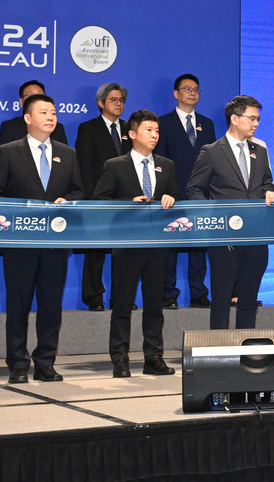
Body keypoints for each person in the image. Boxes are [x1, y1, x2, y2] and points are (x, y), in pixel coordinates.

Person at [0, 93, 84, 384]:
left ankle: (45, 362)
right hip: (20, 243)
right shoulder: (8, 151)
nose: (50, 117)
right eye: (43, 112)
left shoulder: (68, 153)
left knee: (51, 305)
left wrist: (69, 200)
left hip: (55, 243)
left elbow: (79, 190)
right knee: (18, 305)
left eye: (53, 112)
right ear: (27, 118)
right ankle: (17, 363)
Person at [93, 109, 181, 378]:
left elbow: (178, 198)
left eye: (157, 131)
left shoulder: (167, 165)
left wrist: (172, 199)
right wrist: (128, 203)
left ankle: (153, 357)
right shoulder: (115, 165)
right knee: (122, 304)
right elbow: (100, 201)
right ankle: (119, 358)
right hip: (127, 245)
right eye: (148, 130)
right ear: (132, 134)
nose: (154, 135)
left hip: (158, 246)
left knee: (154, 305)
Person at [187, 95, 274, 330]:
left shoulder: (260, 150)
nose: (256, 123)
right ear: (235, 119)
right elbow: (194, 189)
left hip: (256, 235)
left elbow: (267, 183)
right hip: (224, 237)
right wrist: (213, 218)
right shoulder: (212, 151)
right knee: (221, 298)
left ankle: (245, 344)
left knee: (249, 298)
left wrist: (269, 192)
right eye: (252, 118)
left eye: (258, 119)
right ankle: (219, 346)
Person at [156, 74, 217, 309]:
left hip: (201, 194)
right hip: (173, 194)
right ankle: (168, 293)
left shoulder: (207, 124)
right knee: (170, 244)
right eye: (187, 89)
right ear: (176, 93)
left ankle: (198, 292)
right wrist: (165, 191)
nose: (193, 93)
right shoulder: (163, 123)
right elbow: (159, 161)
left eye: (196, 89)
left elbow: (213, 161)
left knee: (199, 245)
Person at [75, 82, 130, 312]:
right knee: (95, 251)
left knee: (124, 252)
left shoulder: (130, 128)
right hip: (98, 199)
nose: (118, 104)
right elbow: (84, 167)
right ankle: (94, 297)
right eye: (113, 100)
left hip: (126, 200)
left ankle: (122, 297)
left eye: (121, 100)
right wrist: (91, 200)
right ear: (101, 103)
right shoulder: (88, 128)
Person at [0, 79, 68, 147]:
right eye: (30, 95)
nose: (36, 98)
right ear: (21, 101)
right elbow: (3, 154)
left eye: (40, 95)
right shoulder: (10, 127)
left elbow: (64, 154)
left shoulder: (57, 128)